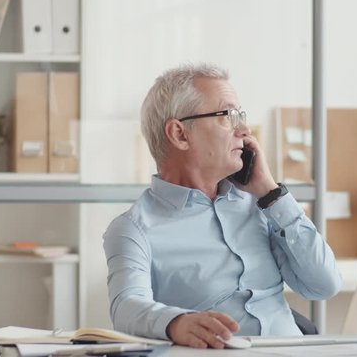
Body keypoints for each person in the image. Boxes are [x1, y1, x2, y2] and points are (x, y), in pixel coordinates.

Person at [103, 63, 342, 349]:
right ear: (179, 134)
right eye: (228, 116)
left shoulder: (260, 205)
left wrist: (272, 194)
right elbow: (126, 306)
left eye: (241, 116)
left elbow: (324, 284)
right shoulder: (133, 228)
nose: (244, 130)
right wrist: (176, 323)